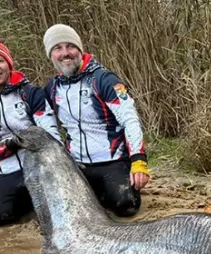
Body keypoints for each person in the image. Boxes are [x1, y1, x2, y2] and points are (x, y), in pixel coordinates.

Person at [41, 24, 150, 217]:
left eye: (71, 46)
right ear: (51, 55)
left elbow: (130, 120)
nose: (66, 53)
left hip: (112, 160)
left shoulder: (103, 80)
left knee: (127, 206)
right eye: (58, 48)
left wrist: (138, 161)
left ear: (80, 50)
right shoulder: (51, 88)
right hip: (76, 163)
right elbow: (43, 126)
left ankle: (111, 188)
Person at [0, 35, 62, 227]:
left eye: (0, 60)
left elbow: (52, 139)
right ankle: (28, 204)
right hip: (8, 173)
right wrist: (12, 145)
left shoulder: (30, 93)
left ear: (9, 64)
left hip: (41, 169)